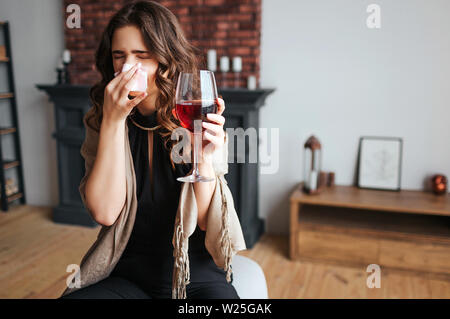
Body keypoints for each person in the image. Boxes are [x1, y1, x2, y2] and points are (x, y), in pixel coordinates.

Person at [61, 1, 244, 299]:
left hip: (193, 271)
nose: (127, 67)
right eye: (119, 56)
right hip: (127, 271)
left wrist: (205, 159)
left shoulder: (195, 113)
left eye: (141, 56)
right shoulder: (101, 118)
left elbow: (203, 220)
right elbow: (105, 212)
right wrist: (113, 120)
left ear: (164, 58)